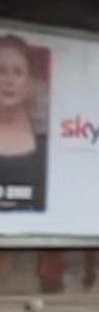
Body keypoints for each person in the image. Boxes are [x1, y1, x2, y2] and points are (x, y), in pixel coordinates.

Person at [0, 35, 48, 213]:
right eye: (1, 71)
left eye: (17, 72)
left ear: (29, 82)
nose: (8, 81)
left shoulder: (47, 141)